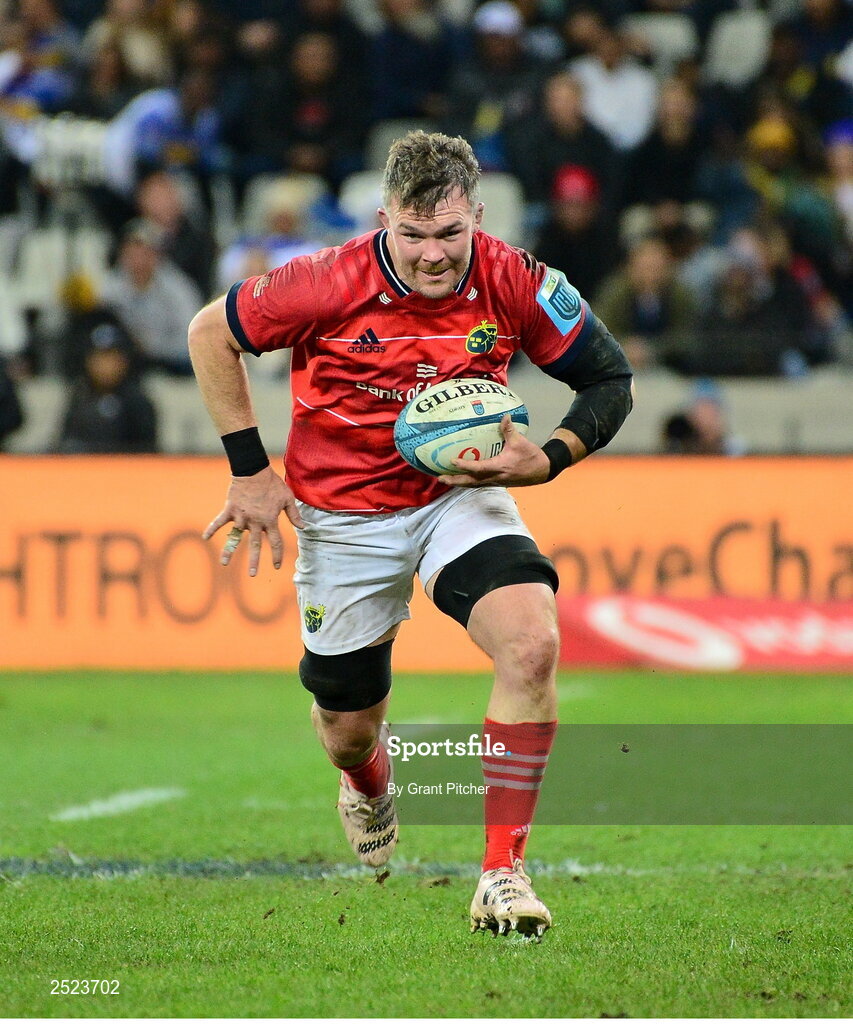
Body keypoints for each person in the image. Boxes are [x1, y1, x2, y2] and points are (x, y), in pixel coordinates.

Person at [188, 131, 633, 939]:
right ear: (383, 217)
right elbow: (207, 334)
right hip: (343, 517)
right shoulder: (325, 280)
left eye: (450, 234)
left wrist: (554, 456)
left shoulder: (517, 280)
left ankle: (502, 873)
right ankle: (365, 782)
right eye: (413, 234)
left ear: (479, 219)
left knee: (530, 646)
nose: (432, 255)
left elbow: (609, 378)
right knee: (346, 724)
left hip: (457, 498)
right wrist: (250, 470)